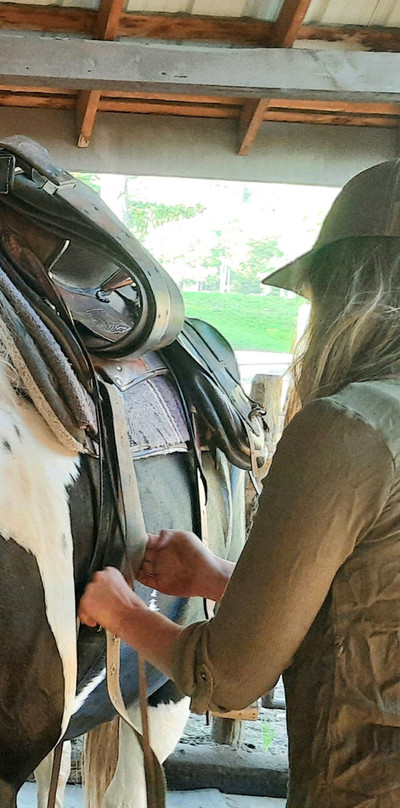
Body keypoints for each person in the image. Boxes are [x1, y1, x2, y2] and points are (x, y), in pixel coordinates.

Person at [79, 159, 400, 808]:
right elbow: (373, 606)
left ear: (346, 291)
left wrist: (121, 611)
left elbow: (228, 679)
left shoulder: (348, 427)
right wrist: (219, 578)